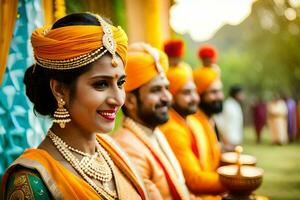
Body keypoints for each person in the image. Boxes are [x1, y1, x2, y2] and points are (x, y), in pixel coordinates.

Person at [2, 13, 148, 200]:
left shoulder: (115, 153)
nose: (118, 99)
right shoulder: (31, 181)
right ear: (60, 90)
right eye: (101, 84)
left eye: (120, 83)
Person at [113, 43, 190, 200]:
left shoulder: (153, 132)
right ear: (130, 101)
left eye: (166, 88)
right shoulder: (128, 149)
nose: (167, 97)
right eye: (156, 90)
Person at [160, 65, 225, 199]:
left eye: (194, 92)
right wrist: (236, 182)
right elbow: (194, 180)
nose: (195, 98)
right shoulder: (173, 130)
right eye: (186, 93)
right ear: (170, 95)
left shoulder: (188, 123)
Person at [188, 67, 222, 165]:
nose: (220, 96)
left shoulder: (209, 119)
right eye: (214, 92)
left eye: (220, 91)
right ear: (199, 94)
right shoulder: (193, 124)